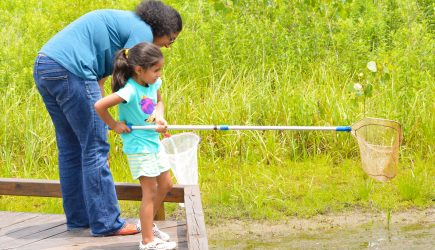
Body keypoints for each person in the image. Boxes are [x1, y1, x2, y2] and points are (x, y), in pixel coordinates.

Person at [32, 0, 182, 237]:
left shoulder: (125, 23)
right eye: (171, 40)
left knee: (71, 148)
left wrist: (103, 118)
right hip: (72, 70)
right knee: (95, 147)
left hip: (46, 65)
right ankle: (107, 223)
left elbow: (100, 84)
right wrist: (151, 117)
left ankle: (79, 220)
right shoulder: (142, 32)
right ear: (163, 28)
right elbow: (137, 85)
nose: (167, 46)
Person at [95, 42, 175, 249]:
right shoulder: (129, 91)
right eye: (156, 70)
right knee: (150, 190)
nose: (159, 74)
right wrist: (114, 124)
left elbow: (159, 102)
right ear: (139, 70)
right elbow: (99, 105)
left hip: (153, 142)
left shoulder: (154, 84)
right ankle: (147, 241)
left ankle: (148, 225)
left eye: (160, 69)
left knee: (166, 184)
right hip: (138, 146)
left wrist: (159, 117)